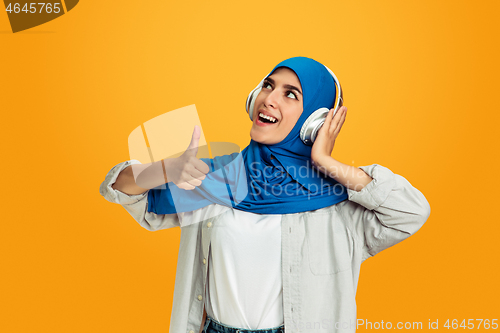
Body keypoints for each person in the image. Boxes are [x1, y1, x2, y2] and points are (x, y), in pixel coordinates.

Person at [100, 57, 431, 333]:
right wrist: (165, 170)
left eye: (291, 94)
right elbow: (124, 193)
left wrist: (326, 162)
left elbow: (411, 212)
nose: (269, 98)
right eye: (268, 86)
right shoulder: (219, 177)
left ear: (314, 121)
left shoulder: (340, 202)